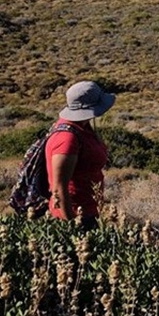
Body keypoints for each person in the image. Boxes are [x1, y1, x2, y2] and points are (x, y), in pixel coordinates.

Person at [47, 80, 114, 230]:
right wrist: (71, 225)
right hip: (75, 215)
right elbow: (58, 187)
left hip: (88, 210)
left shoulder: (83, 127)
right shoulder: (67, 138)